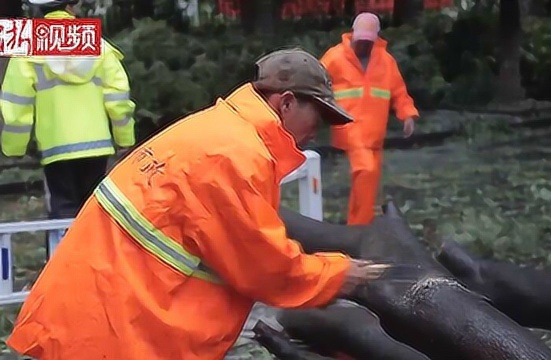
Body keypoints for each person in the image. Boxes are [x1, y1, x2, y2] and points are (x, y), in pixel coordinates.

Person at [7, 48, 386, 360]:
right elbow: (265, 267)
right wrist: (339, 274)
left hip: (100, 318)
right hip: (117, 333)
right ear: (286, 103)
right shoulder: (234, 155)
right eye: (317, 116)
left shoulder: (219, 130)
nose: (316, 131)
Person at [0, 0, 136, 256]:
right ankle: (97, 271)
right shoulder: (99, 46)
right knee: (95, 213)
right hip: (97, 147)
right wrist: (124, 138)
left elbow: (15, 106)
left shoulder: (29, 48)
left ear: (36, 10)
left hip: (56, 150)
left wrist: (13, 148)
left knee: (62, 218)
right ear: (72, 7)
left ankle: (66, 276)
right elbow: (119, 97)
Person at [320, 12, 419, 225]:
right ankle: (360, 229)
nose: (363, 45)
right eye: (360, 40)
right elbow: (314, 83)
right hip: (349, 128)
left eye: (368, 41)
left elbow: (399, 92)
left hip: (375, 133)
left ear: (376, 39)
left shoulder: (386, 62)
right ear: (352, 35)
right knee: (365, 170)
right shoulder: (334, 57)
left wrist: (408, 114)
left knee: (368, 182)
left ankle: (356, 225)